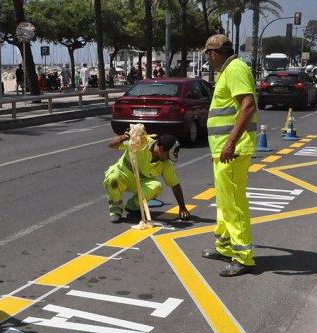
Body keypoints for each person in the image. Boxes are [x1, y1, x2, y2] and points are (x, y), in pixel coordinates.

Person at [201, 34, 258, 277]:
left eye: (209, 55)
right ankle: (224, 246)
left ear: (213, 54)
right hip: (223, 151)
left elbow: (248, 106)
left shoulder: (235, 69)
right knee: (224, 202)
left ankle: (242, 257)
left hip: (232, 151)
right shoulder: (229, 70)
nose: (209, 60)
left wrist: (231, 142)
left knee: (234, 204)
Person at [104, 132, 191, 223]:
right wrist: (123, 137)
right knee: (113, 178)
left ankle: (133, 206)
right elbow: (111, 144)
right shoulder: (141, 142)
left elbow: (175, 185)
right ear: (161, 148)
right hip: (122, 175)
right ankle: (115, 211)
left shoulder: (166, 164)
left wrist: (182, 207)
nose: (168, 158)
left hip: (139, 182)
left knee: (156, 186)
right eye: (168, 155)